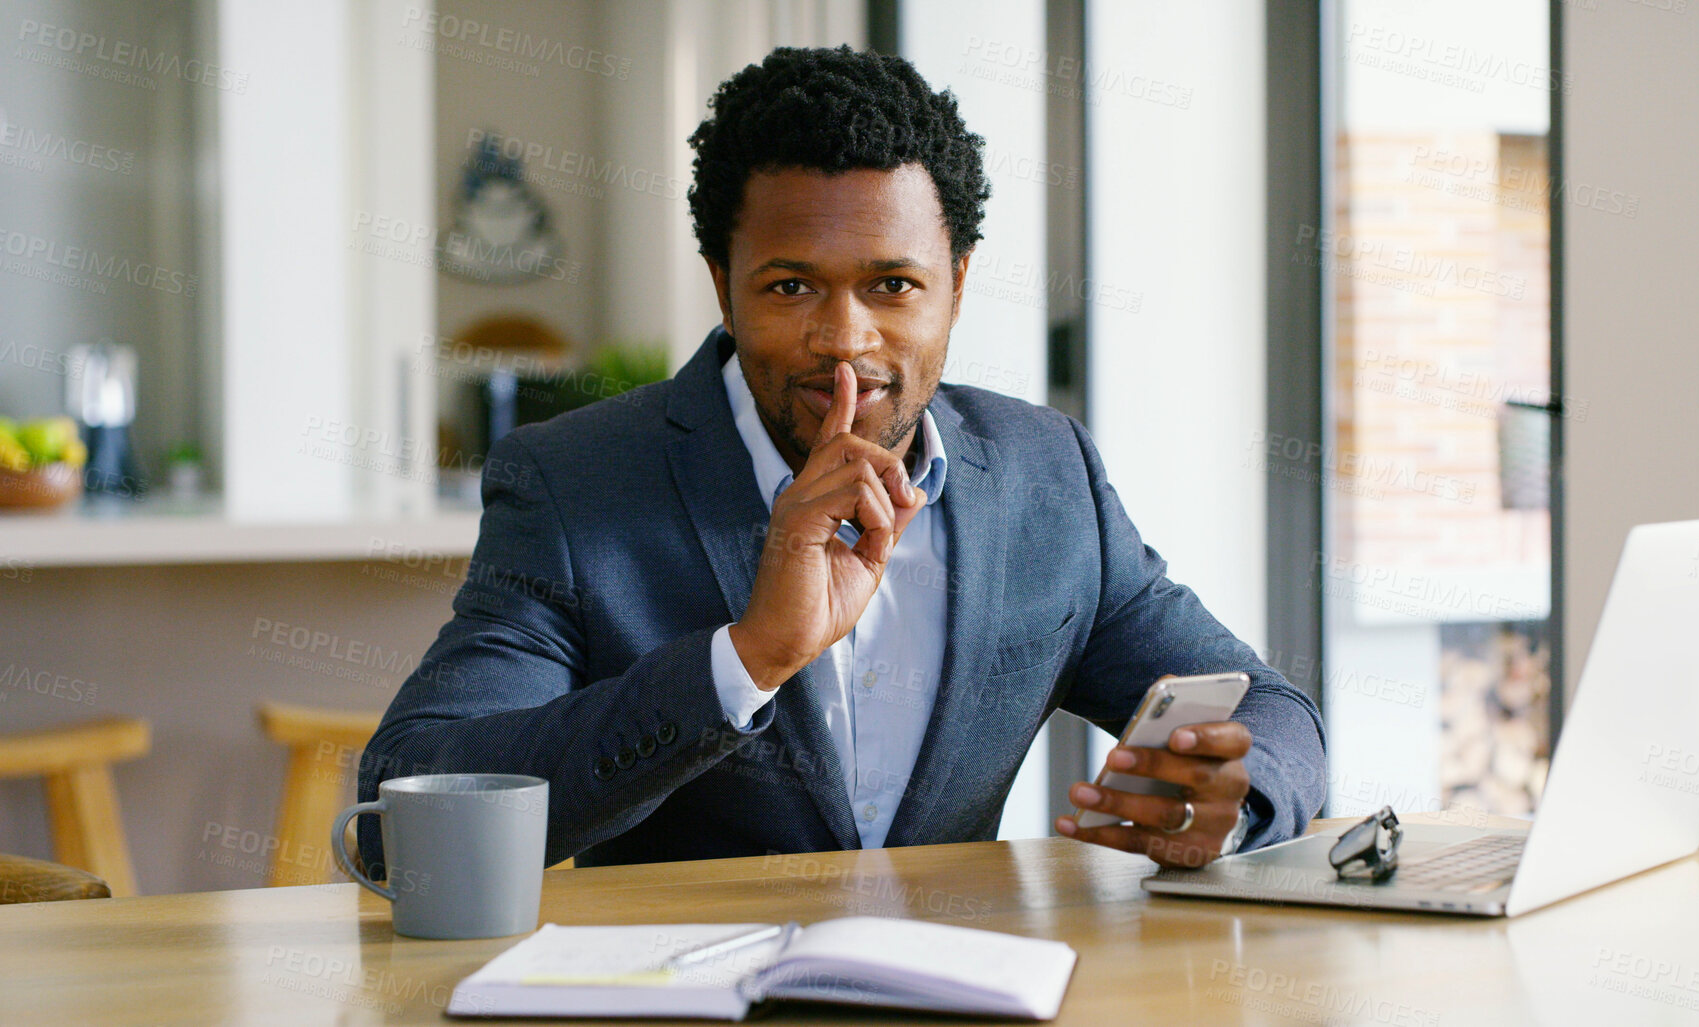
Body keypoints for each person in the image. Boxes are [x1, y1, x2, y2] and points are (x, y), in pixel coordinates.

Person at [358, 45, 1325, 874]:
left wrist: (1228, 796)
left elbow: (1274, 712)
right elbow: (405, 818)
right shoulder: (575, 484)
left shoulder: (1046, 476)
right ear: (722, 287)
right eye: (790, 286)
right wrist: (747, 658)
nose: (843, 338)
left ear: (957, 284)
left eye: (892, 284)